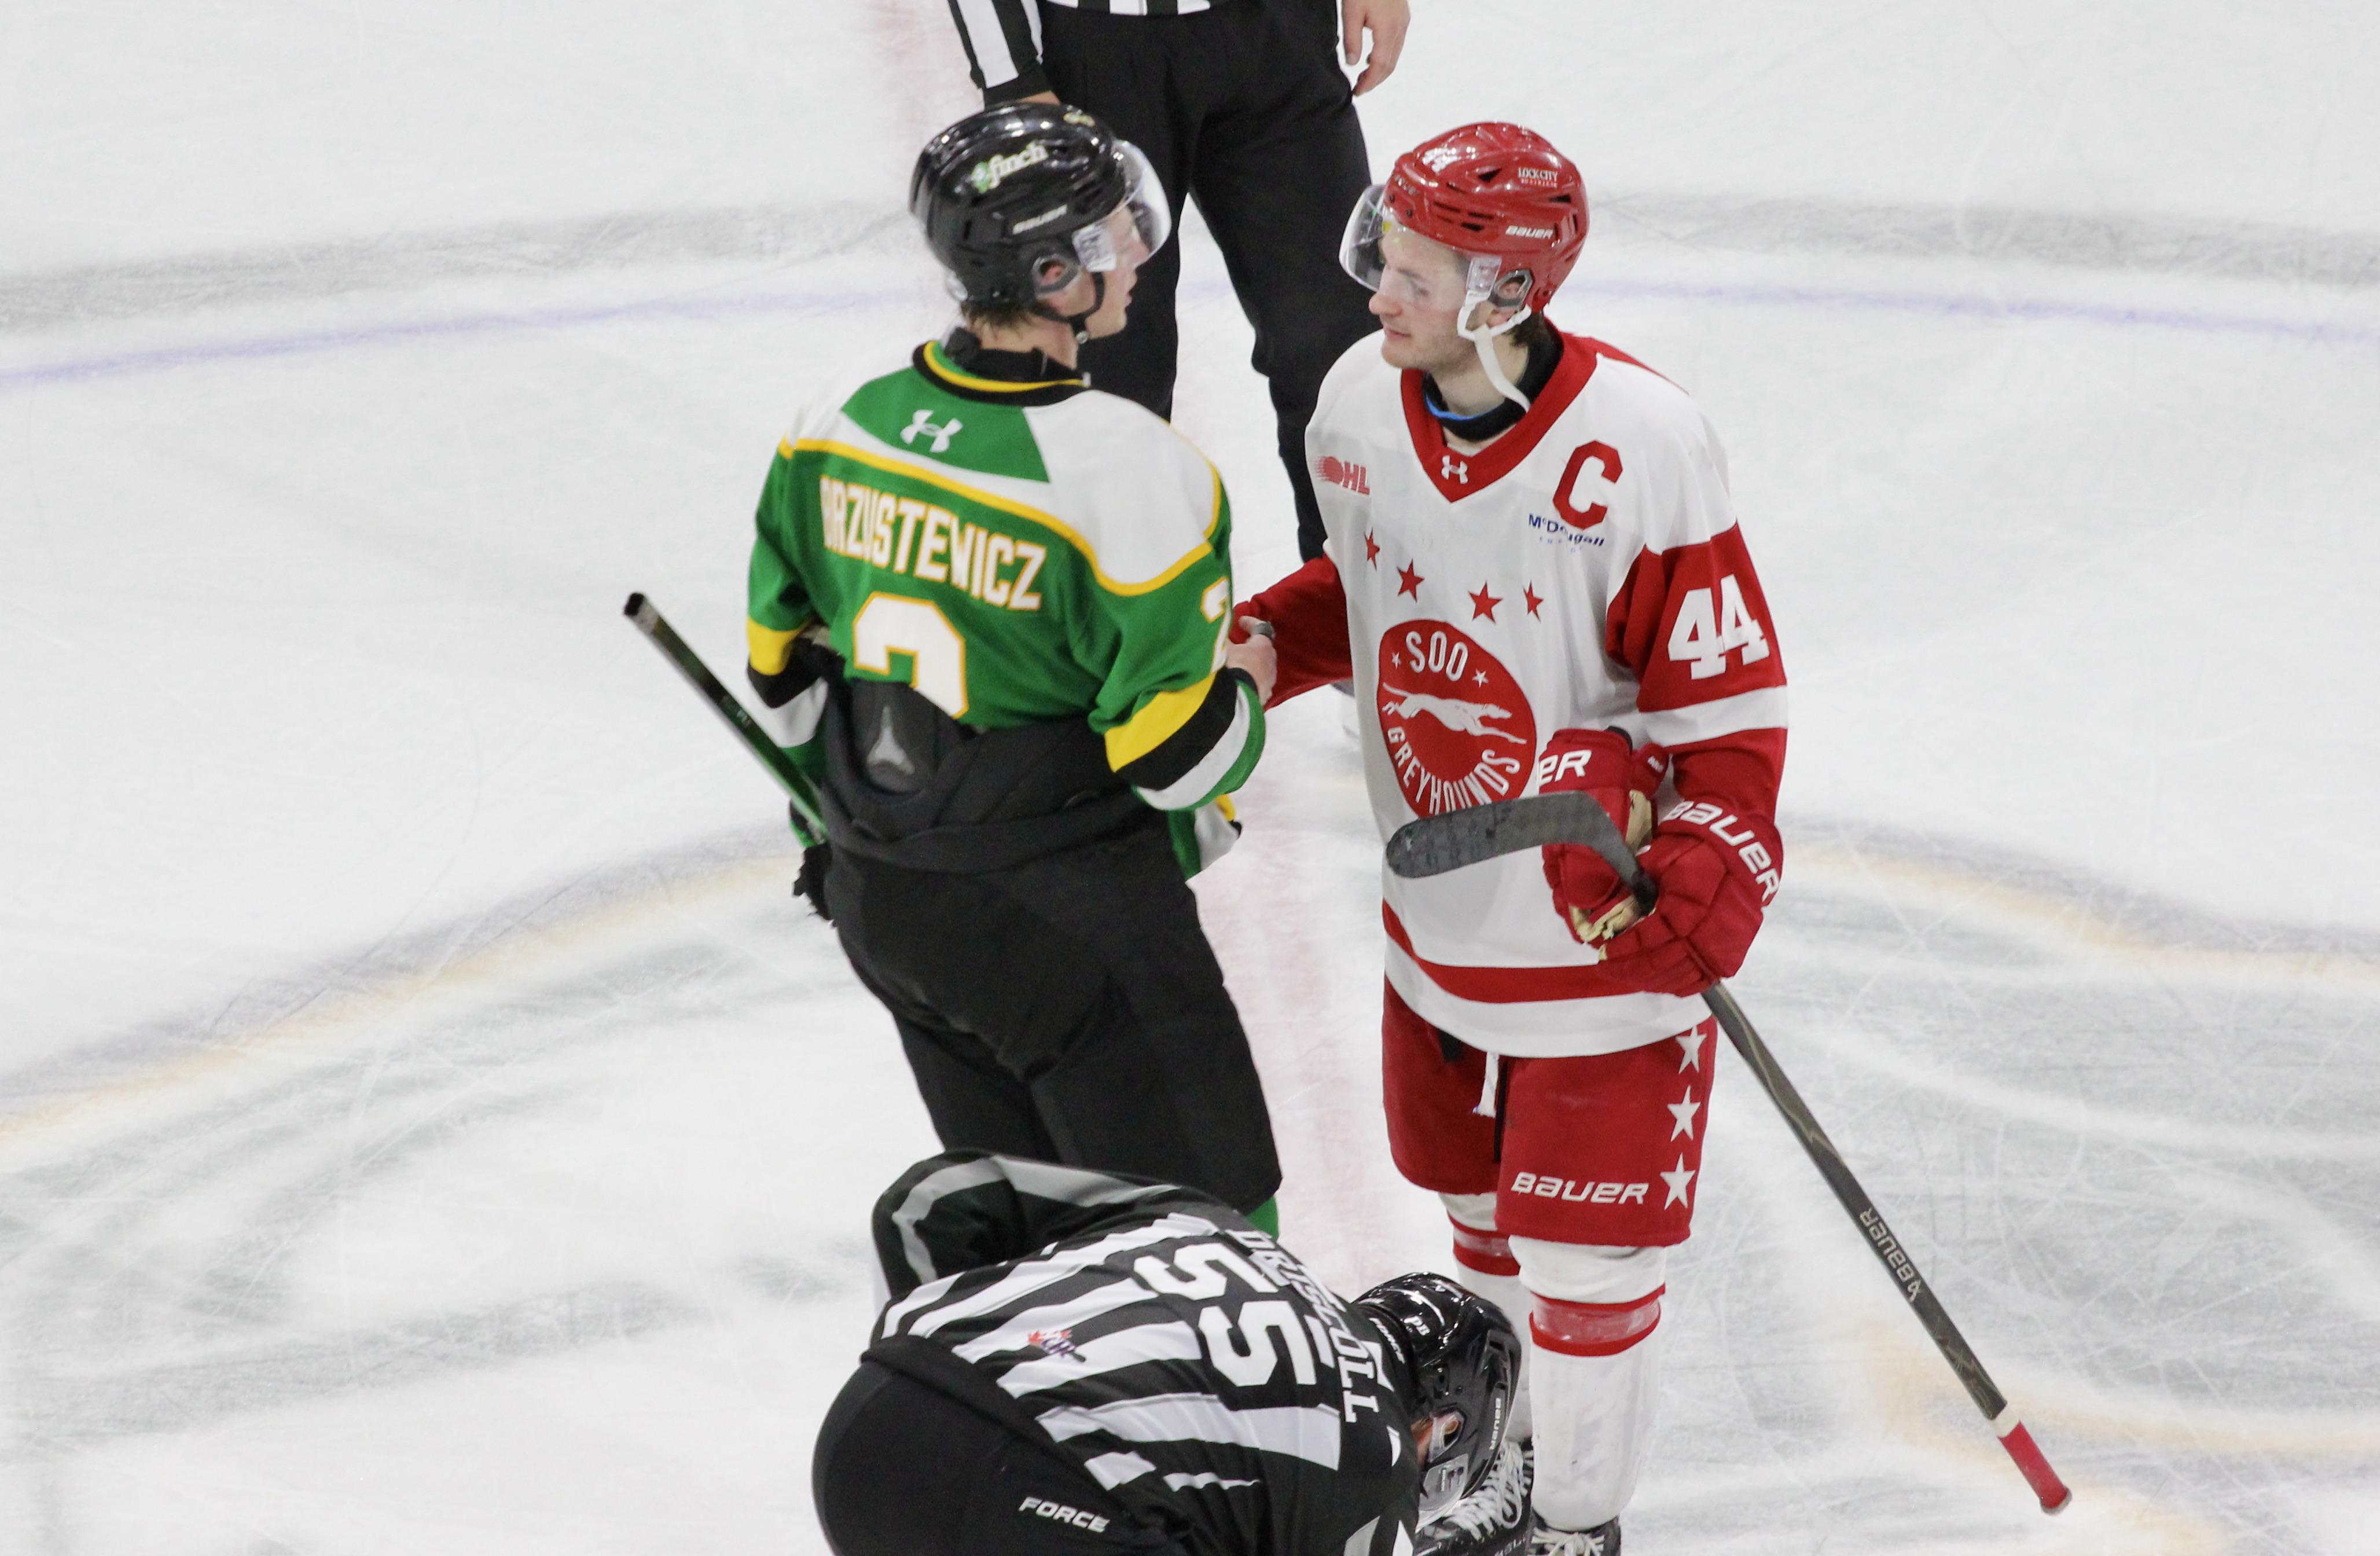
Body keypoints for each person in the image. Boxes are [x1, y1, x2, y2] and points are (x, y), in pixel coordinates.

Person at [1235, 123, 1791, 1556]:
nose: (1374, 297)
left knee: (1583, 1264)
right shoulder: (1359, 402)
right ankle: (1498, 1478)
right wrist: (1256, 645)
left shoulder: (1644, 448)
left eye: (1409, 273)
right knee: (1476, 1236)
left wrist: (1714, 864)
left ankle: (1578, 1532)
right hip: (1436, 930)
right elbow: (1357, 589)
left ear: (1502, 292)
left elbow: (1725, 710)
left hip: (1597, 935)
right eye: (1381, 256)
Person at [740, 104, 1286, 1228]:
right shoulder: (1133, 473)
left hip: (885, 902)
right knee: (1212, 1244)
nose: (1134, 245)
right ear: (1050, 272)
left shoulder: (833, 427)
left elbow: (784, 685)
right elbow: (1174, 756)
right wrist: (1254, 683)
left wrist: (833, 840)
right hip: (1065, 919)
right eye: (1104, 235)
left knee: (1033, 1242)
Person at [814, 1149, 1522, 1556]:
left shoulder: (1200, 1219)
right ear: (1440, 1427)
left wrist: (939, 1371)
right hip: (1044, 1499)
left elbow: (932, 1199)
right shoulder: (1378, 1456)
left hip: (865, 1435)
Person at [939, 0, 1407, 562]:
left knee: (1339, 356)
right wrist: (1011, 77)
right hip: (1092, 57)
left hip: (1277, 42)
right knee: (1110, 374)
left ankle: (1349, 618)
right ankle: (1123, 626)